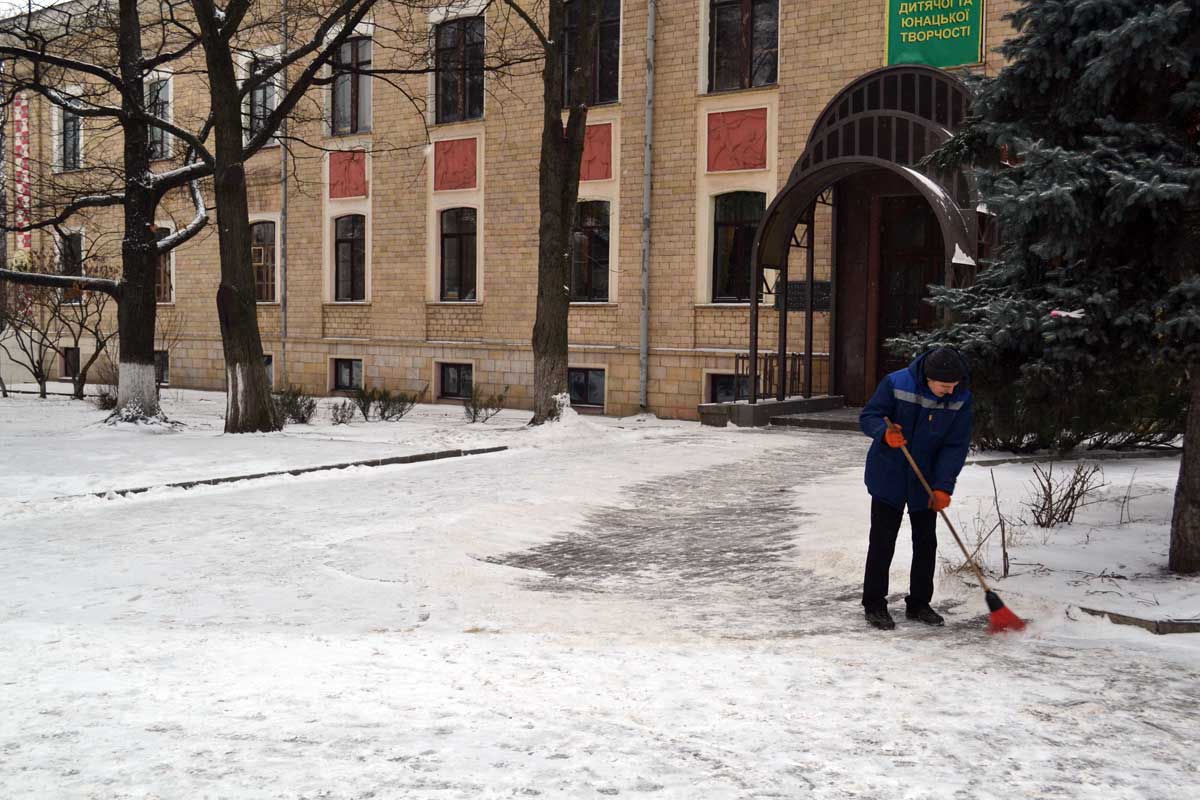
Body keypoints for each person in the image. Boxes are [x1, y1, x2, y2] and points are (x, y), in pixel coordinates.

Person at [857, 347, 973, 630]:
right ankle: (874, 603)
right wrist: (884, 434)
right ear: (928, 378)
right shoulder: (896, 383)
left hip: (926, 479)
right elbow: (869, 415)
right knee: (883, 541)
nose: (949, 391)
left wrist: (944, 486)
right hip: (889, 474)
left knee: (926, 542)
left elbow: (955, 446)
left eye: (953, 385)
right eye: (944, 386)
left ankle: (919, 603)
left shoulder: (961, 398)